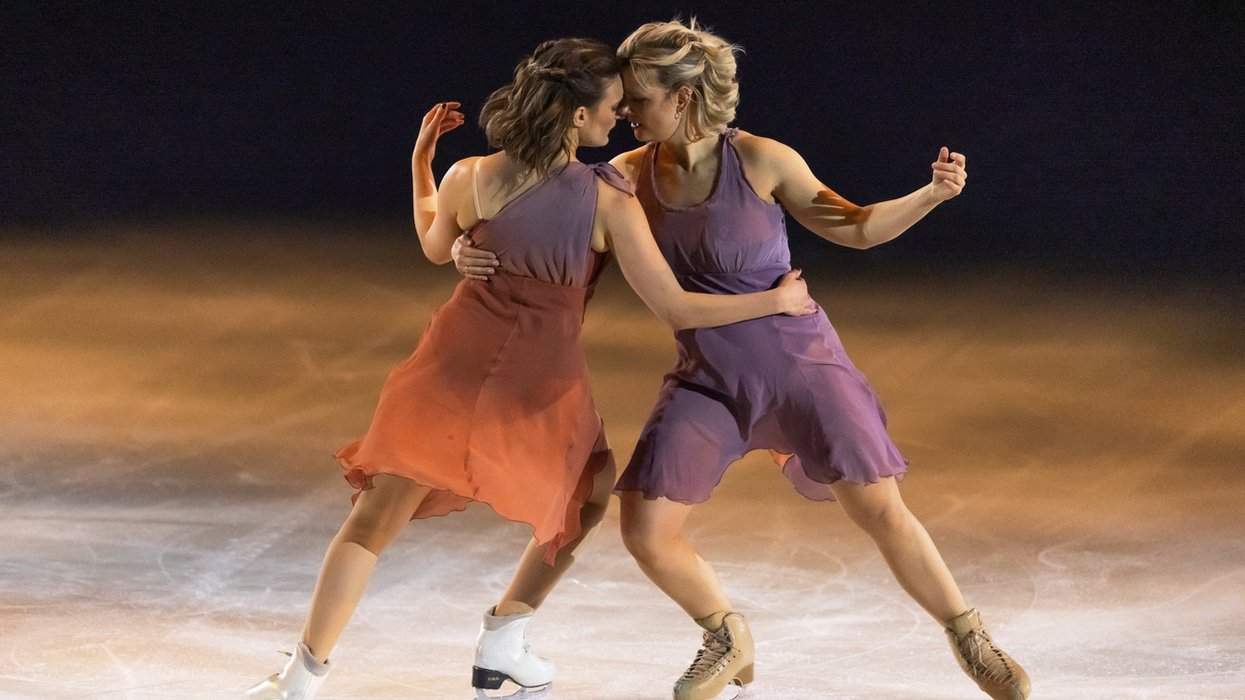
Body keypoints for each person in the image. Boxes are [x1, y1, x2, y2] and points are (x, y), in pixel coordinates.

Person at [453, 19, 1030, 700]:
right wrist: (468, 247)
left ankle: (968, 636)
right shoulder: (625, 178)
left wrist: (929, 195)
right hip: (708, 379)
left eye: (638, 99)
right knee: (645, 527)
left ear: (685, 96)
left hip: (802, 368)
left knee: (879, 509)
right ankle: (725, 634)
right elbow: (543, 216)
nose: (625, 112)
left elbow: (857, 226)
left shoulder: (760, 160)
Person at [243, 37, 814, 700]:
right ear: (576, 115)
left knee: (374, 519)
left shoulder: (471, 177)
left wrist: (422, 165)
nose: (618, 115)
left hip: (450, 361)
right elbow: (671, 303)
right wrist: (774, 300)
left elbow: (434, 245)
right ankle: (504, 637)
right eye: (609, 107)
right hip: (539, 380)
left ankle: (302, 677)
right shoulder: (607, 200)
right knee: (591, 493)